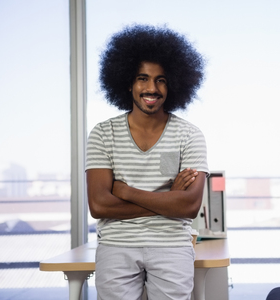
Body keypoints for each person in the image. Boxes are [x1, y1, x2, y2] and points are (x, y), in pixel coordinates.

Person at [85, 24, 208, 300]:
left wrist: (127, 192)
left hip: (172, 245)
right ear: (128, 82)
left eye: (161, 79)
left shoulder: (189, 135)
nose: (151, 88)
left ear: (173, 83)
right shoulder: (103, 133)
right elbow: (99, 205)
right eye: (143, 78)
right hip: (117, 245)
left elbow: (188, 206)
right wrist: (168, 200)